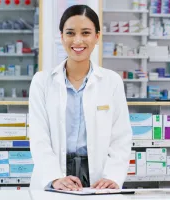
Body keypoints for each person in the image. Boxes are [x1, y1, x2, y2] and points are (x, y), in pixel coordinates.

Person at [28, 4, 132, 191]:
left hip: (98, 178)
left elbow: (121, 138)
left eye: (85, 33)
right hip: (56, 174)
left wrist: (113, 176)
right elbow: (38, 137)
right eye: (70, 33)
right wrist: (54, 177)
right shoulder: (41, 82)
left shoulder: (112, 82)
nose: (78, 40)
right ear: (62, 37)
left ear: (97, 37)